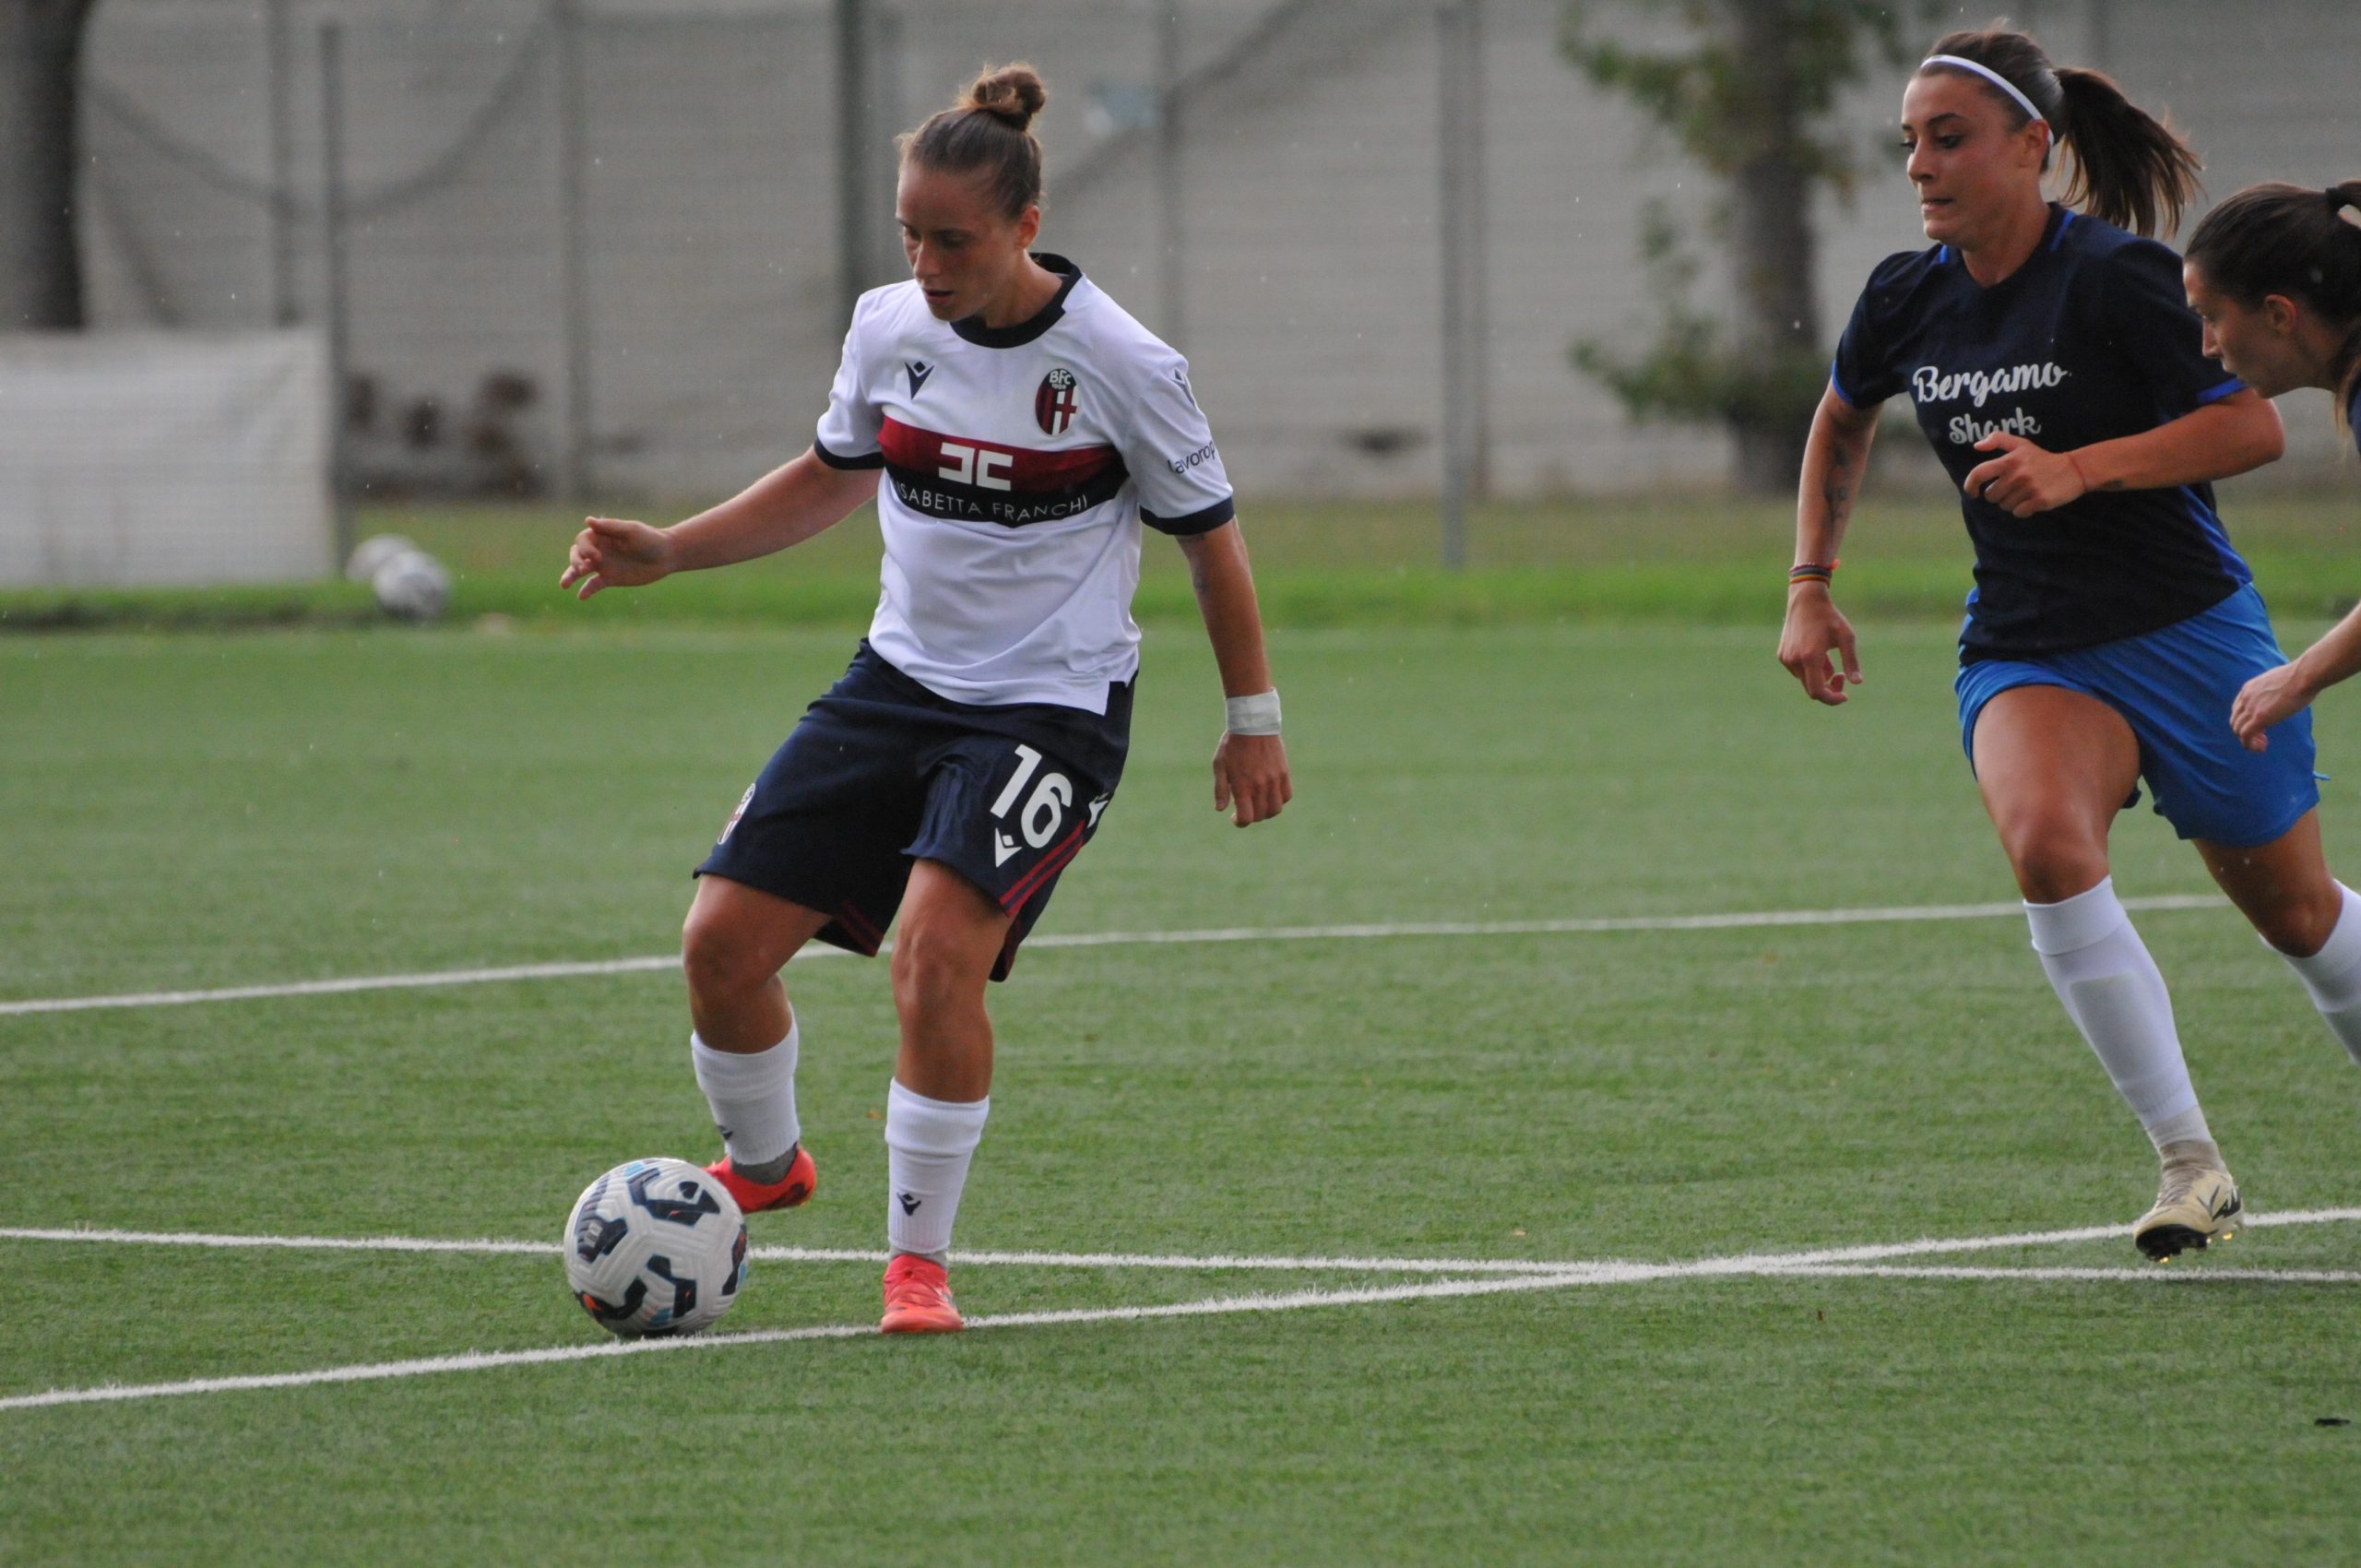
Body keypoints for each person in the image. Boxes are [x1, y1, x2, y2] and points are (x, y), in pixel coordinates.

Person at [560, 64, 1292, 1332]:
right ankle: (768, 1165)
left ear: (1024, 225)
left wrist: (1252, 720)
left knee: (933, 959)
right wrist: (671, 548)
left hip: (1048, 712)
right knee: (718, 947)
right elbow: (830, 474)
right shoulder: (888, 326)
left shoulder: (1124, 364)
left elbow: (1210, 543)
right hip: (893, 685)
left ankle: (918, 1265)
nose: (927, 262)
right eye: (910, 233)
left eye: (952, 239)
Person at [1775, 28, 2348, 1261]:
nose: (1921, 167)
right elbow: (1838, 422)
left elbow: (2252, 430)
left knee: (2300, 916)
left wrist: (2081, 469)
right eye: (1911, 144)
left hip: (2191, 630)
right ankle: (2190, 1164)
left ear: (2033, 147)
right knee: (2044, 844)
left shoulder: (2122, 278)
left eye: (1949, 139)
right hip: (2033, 644)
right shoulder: (1903, 293)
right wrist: (1809, 583)